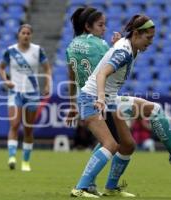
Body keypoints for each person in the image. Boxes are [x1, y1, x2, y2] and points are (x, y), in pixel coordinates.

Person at [71, 14, 171, 198]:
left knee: (129, 143)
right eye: (148, 37)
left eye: (153, 38)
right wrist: (100, 98)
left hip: (110, 100)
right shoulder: (124, 52)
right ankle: (81, 187)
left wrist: (116, 43)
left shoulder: (130, 47)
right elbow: (102, 74)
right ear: (136, 34)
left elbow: (114, 53)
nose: (150, 42)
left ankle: (111, 187)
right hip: (93, 99)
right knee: (110, 144)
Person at [65, 7, 123, 197]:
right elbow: (111, 69)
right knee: (111, 144)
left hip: (84, 98)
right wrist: (116, 47)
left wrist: (72, 104)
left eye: (104, 25)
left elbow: (71, 77)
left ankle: (89, 184)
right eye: (100, 25)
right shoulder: (99, 45)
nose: (104, 29)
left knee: (112, 141)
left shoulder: (72, 45)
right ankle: (82, 186)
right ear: (88, 26)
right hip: (97, 98)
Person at [0, 24, 52, 172]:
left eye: (28, 33)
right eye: (23, 33)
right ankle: (12, 157)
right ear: (18, 34)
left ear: (31, 35)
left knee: (28, 129)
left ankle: (26, 162)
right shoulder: (11, 51)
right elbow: (1, 67)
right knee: (14, 125)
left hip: (32, 94)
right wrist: (5, 80)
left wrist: (47, 84)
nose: (26, 35)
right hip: (15, 92)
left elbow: (47, 68)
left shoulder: (38, 50)